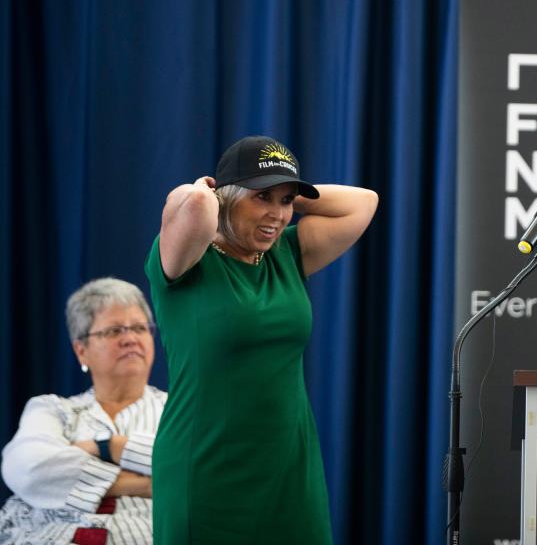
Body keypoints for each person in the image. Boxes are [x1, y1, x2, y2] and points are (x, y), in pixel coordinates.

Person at [145, 135, 378, 544]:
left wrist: (293, 199)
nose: (277, 214)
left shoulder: (287, 254)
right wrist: (208, 191)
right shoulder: (184, 262)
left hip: (289, 468)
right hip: (206, 469)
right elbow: (194, 205)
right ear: (225, 197)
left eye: (286, 201)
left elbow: (364, 201)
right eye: (262, 198)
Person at [0, 277, 166, 544]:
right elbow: (26, 467)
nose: (130, 339)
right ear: (81, 351)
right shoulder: (54, 410)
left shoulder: (176, 410)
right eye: (114, 331)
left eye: (139, 327)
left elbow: (194, 467)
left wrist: (106, 447)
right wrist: (145, 485)